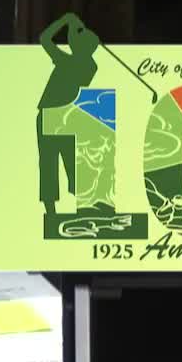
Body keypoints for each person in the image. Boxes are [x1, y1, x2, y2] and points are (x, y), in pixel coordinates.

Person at [36, 12, 101, 217]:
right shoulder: (90, 66)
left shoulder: (69, 62)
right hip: (65, 117)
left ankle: (60, 210)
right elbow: (74, 41)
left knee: (54, 164)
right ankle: (74, 208)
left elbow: (45, 38)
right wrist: (75, 26)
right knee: (65, 163)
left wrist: (66, 21)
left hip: (54, 116)